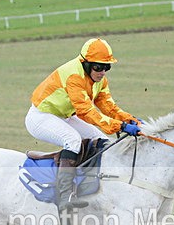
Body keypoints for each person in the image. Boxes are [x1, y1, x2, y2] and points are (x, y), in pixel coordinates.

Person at [26, 38, 142, 211]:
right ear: (85, 64)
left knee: (102, 139)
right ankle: (64, 196)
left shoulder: (100, 80)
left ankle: (92, 185)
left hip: (63, 116)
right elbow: (86, 111)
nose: (102, 72)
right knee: (72, 140)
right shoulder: (74, 76)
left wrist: (130, 119)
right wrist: (120, 127)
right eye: (98, 67)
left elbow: (107, 106)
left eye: (106, 67)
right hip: (41, 117)